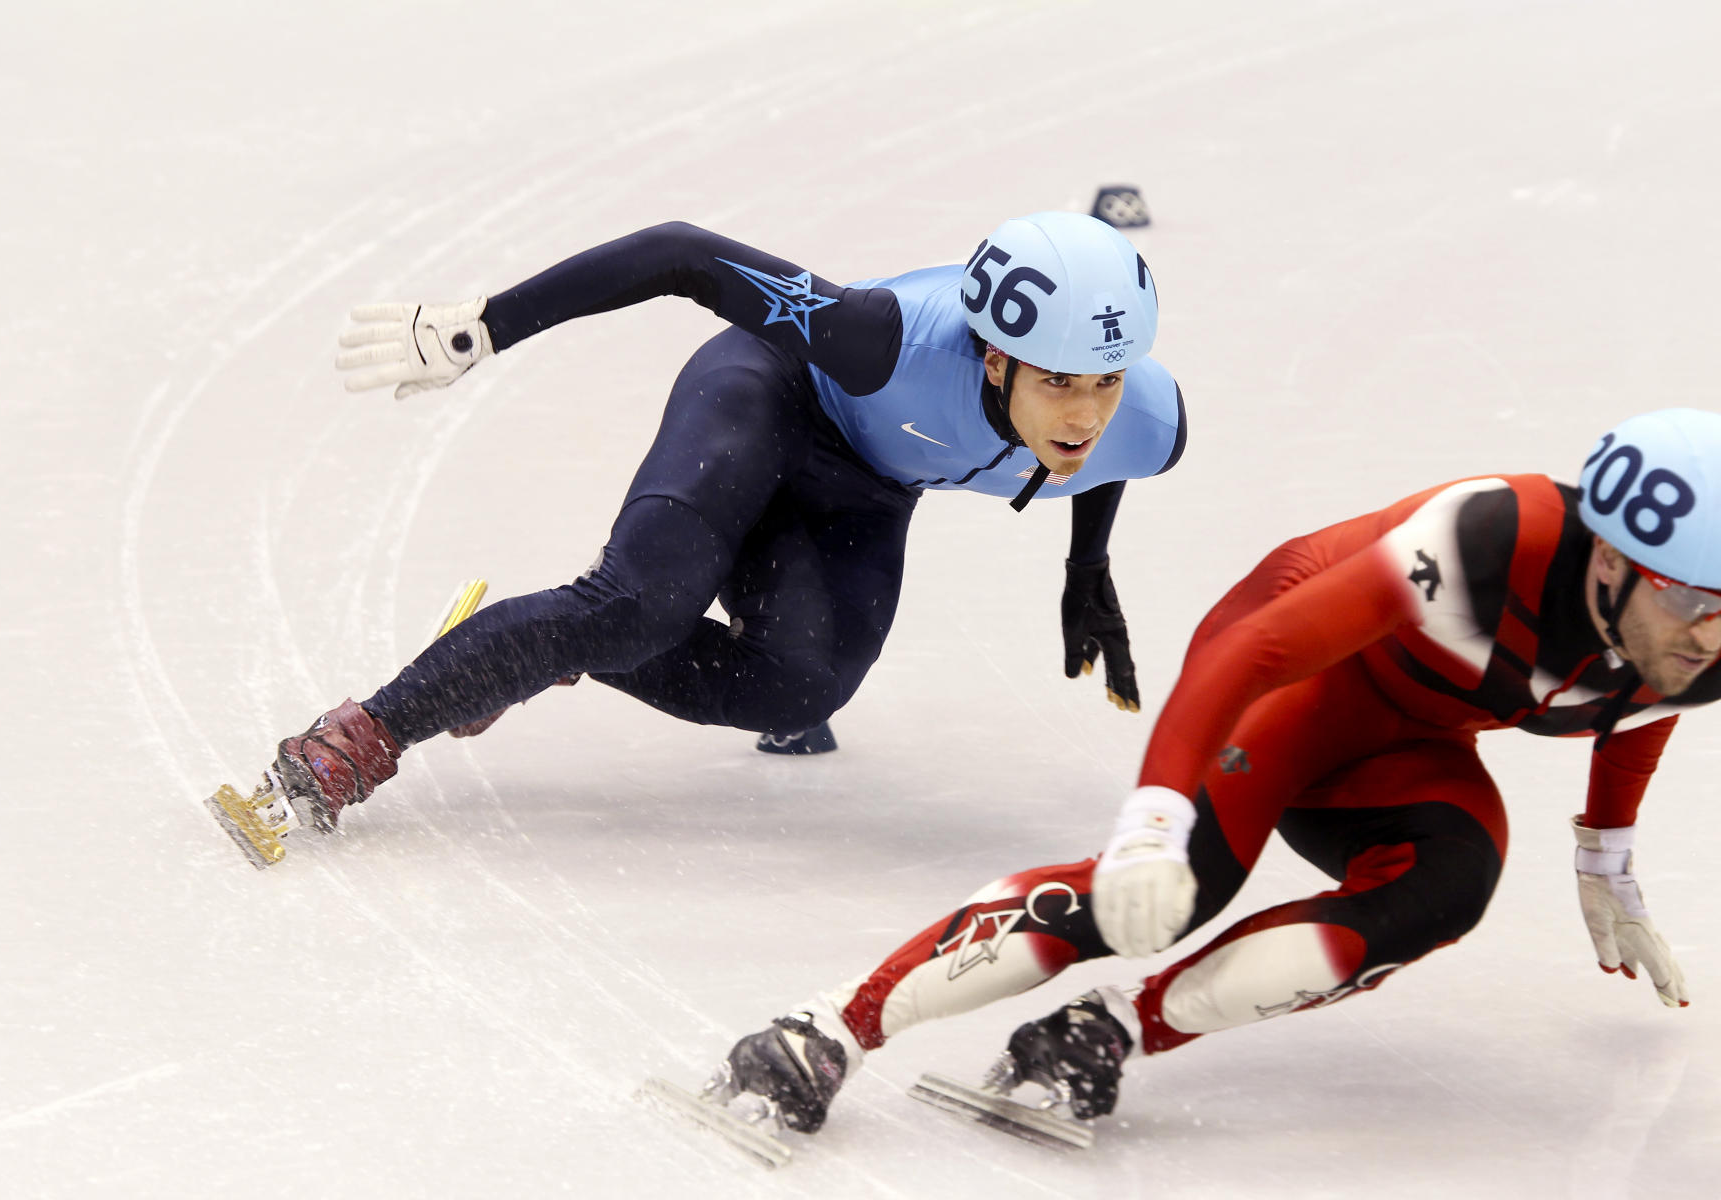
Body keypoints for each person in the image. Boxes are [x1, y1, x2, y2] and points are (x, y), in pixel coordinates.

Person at [704, 407, 1717, 1136]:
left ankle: (1105, 1034)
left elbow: (1641, 699)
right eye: (1691, 601)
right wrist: (1152, 823)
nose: (1710, 636)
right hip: (1290, 675)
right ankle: (831, 1024)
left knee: (1450, 883)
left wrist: (1606, 852)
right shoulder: (1488, 535)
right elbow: (1259, 651)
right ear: (1609, 562)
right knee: (1167, 894)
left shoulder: (1697, 641)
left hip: (1410, 737)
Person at [207, 214, 1187, 865]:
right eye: (1058, 383)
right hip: (767, 395)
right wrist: (488, 326)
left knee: (800, 693)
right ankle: (352, 744)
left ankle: (539, 647)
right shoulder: (878, 337)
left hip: (862, 491)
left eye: (1105, 382)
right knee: (640, 604)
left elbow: (1107, 464)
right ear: (991, 352)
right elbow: (683, 253)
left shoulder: (1140, 423)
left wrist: (1087, 566)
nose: (1084, 416)